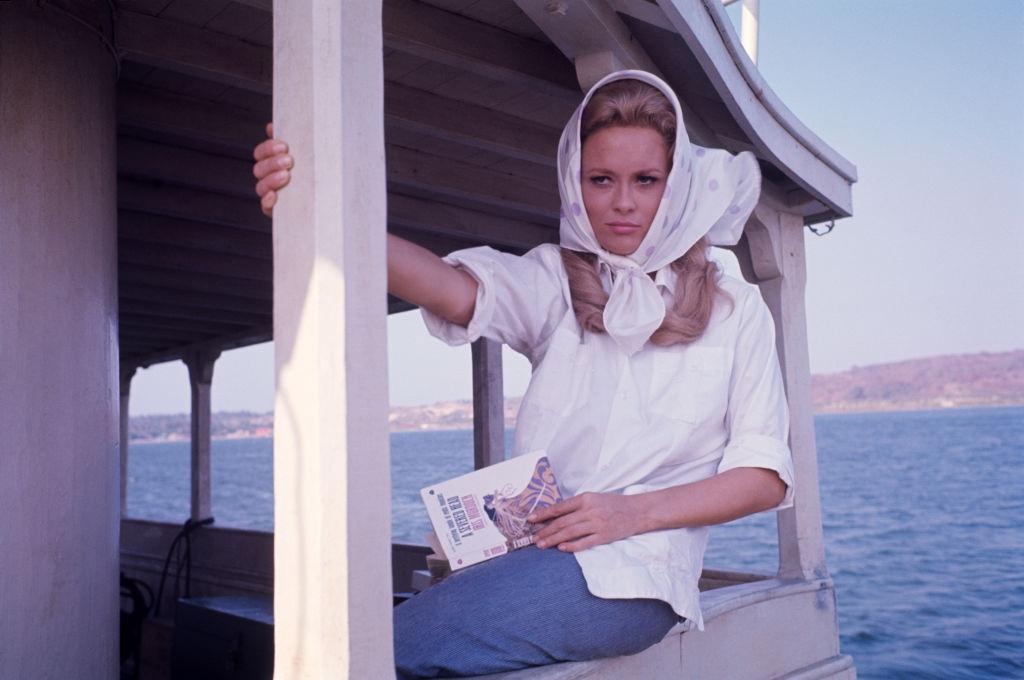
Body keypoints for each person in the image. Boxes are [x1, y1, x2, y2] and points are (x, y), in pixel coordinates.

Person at [253, 69, 795, 679]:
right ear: (575, 182)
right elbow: (452, 288)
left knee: (374, 653)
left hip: (636, 576)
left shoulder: (734, 306)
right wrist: (326, 210)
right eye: (601, 180)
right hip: (528, 554)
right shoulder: (556, 281)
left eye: (646, 180)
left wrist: (626, 513)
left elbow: (763, 479)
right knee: (358, 638)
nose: (622, 202)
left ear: (675, 185)